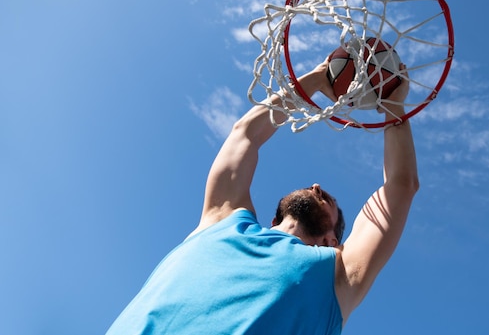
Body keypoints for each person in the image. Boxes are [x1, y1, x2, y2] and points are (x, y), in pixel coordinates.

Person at [106, 57, 419, 335]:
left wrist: (393, 108)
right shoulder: (223, 220)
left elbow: (400, 187)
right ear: (274, 218)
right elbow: (244, 134)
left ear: (330, 241)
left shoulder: (338, 276)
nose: (316, 186)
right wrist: (318, 78)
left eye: (330, 200)